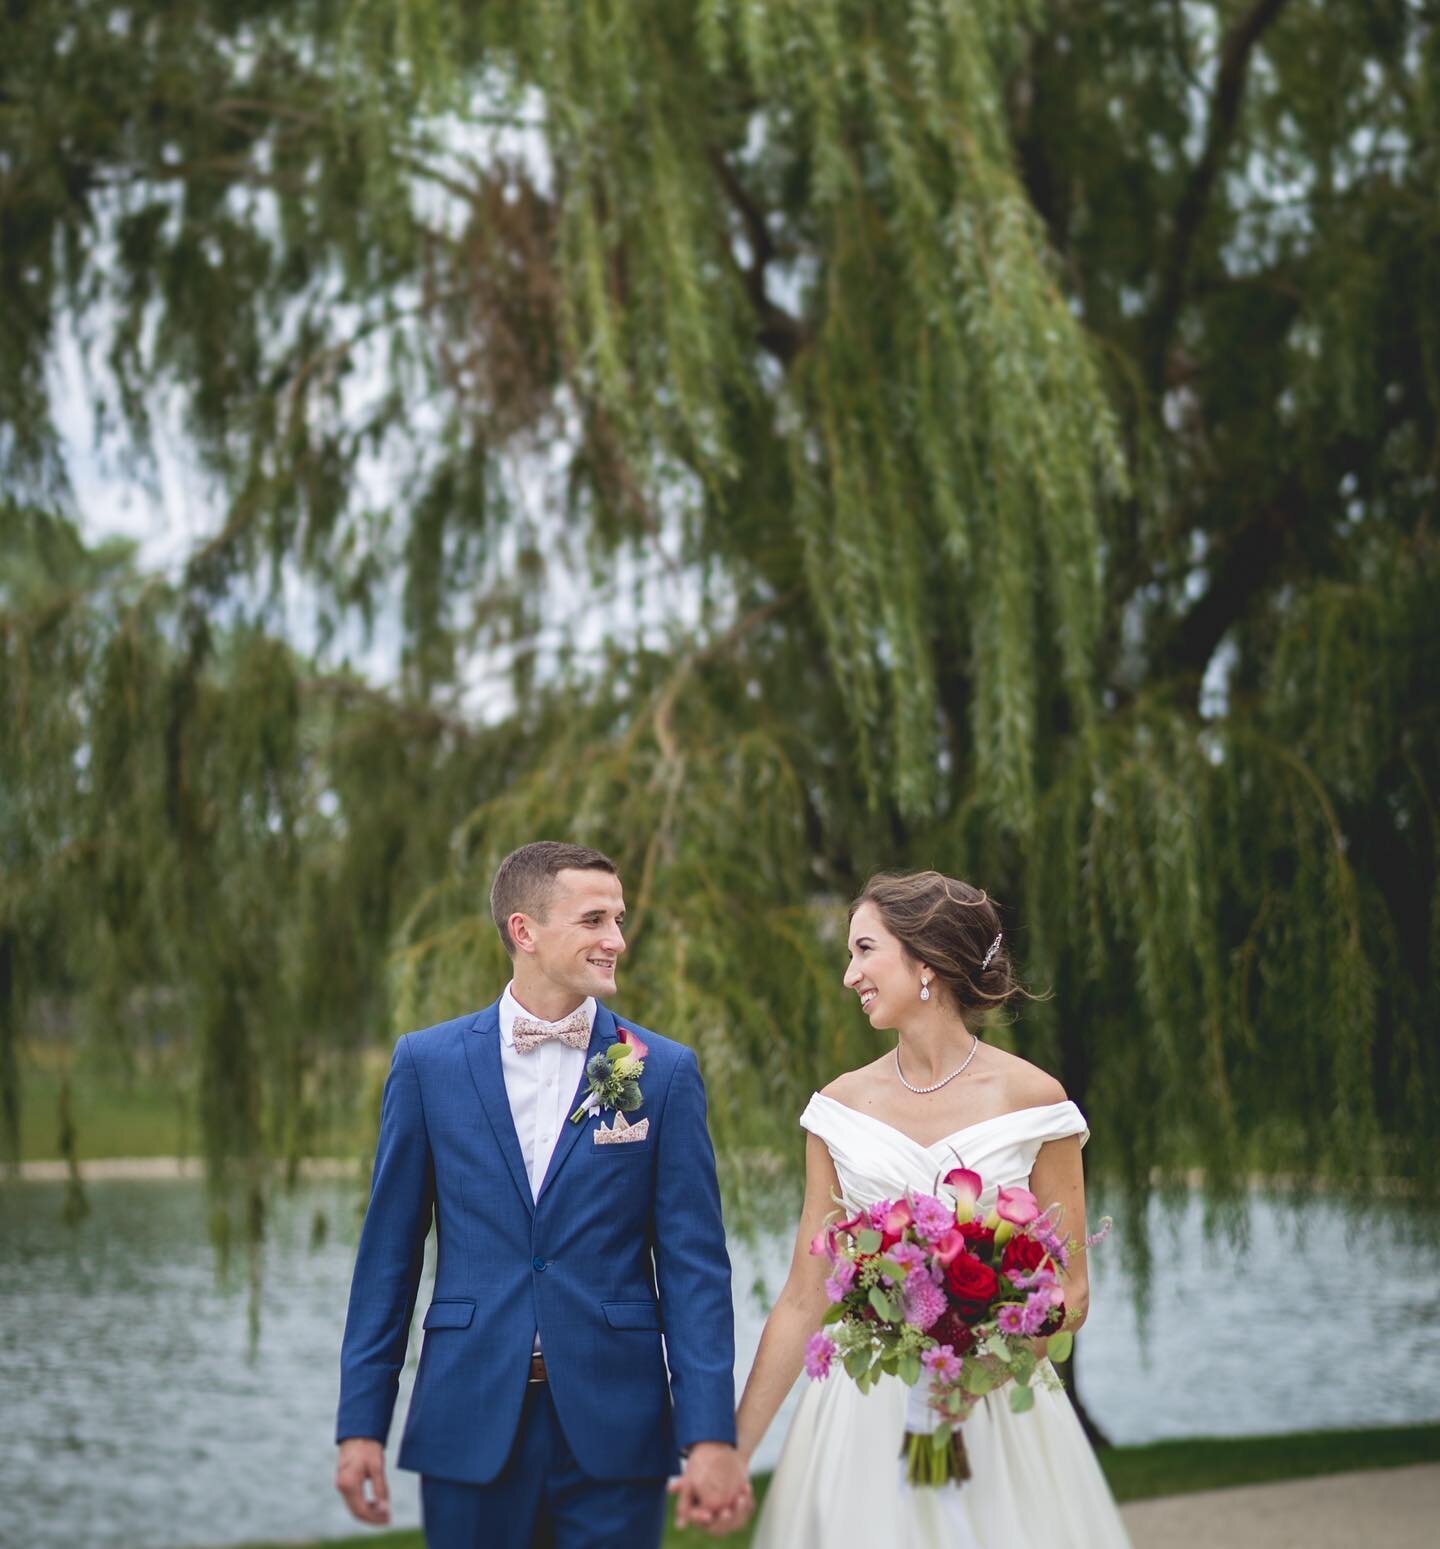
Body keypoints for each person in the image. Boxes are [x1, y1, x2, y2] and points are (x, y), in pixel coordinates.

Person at [334, 841, 753, 1547]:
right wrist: (359, 1425)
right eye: (594, 920)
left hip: (617, 1419)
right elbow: (388, 1261)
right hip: (468, 1411)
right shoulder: (426, 1064)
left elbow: (695, 1270)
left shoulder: (665, 1072)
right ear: (524, 930)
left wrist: (709, 1432)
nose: (616, 939)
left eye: (619, 919)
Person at [737, 870, 1132, 1548]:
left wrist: (983, 1370)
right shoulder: (836, 1109)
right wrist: (731, 1454)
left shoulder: (1036, 1101)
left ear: (925, 961)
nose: (848, 974)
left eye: (865, 950)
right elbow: (805, 1299)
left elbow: (1070, 1290)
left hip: (993, 1411)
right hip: (865, 1413)